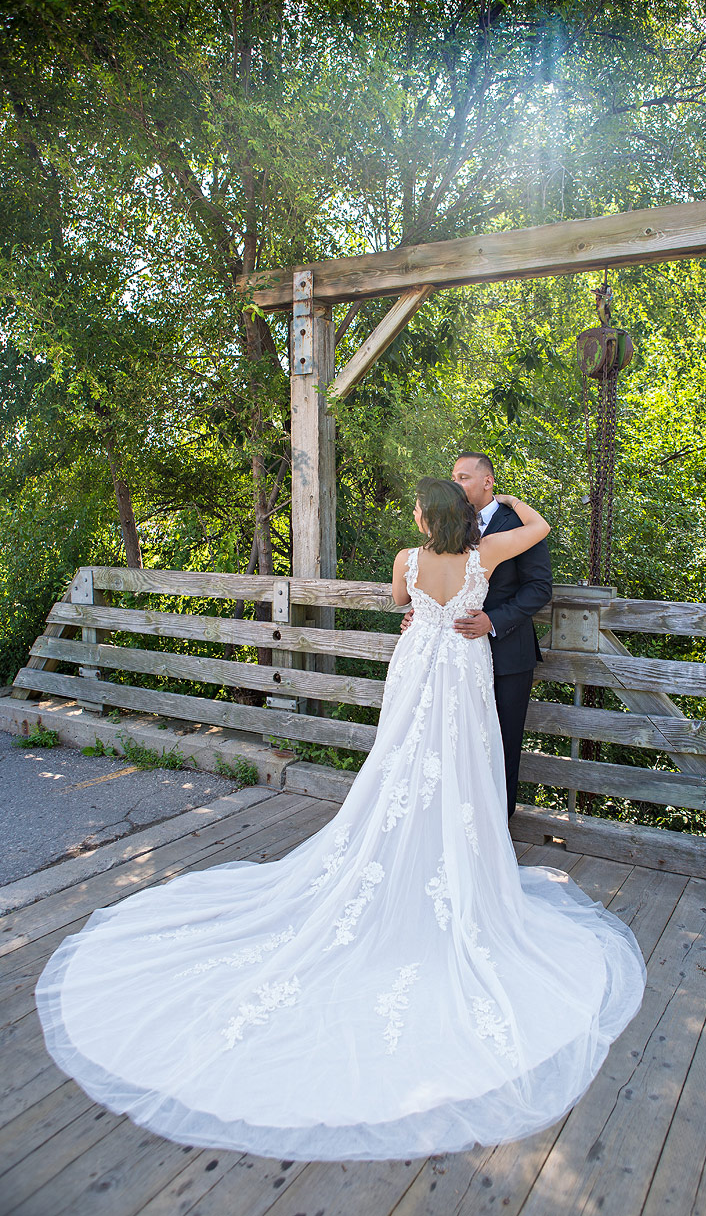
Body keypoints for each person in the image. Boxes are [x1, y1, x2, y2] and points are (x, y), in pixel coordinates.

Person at [35, 478, 647, 1163]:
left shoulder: (405, 561)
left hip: (419, 664)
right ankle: (454, 860)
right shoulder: (489, 553)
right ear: (465, 515)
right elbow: (539, 525)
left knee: (405, 761)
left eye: (418, 508)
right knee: (464, 763)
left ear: (423, 517)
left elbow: (398, 604)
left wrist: (424, 600)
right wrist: (497, 504)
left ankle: (401, 849)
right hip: (464, 664)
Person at [402, 453, 552, 818]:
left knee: (500, 744)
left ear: (488, 481)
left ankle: (497, 829)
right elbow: (432, 580)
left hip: (507, 652)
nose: (456, 483)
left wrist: (493, 621)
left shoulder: (512, 523)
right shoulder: (446, 522)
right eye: (453, 476)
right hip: (451, 655)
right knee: (448, 741)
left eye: (464, 477)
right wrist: (423, 615)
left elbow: (539, 588)